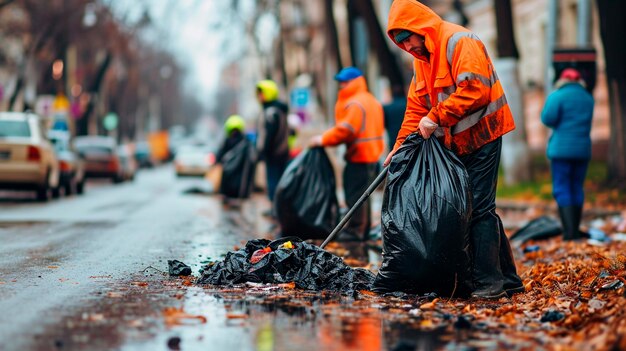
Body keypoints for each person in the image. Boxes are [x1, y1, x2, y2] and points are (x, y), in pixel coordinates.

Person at [385, 0, 523, 299]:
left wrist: (435, 117)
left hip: (484, 131)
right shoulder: (420, 62)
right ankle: (508, 279)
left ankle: (490, 283)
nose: (408, 46)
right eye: (402, 44)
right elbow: (415, 109)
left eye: (409, 38)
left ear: (420, 28)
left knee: (479, 208)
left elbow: (475, 89)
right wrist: (399, 148)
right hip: (458, 142)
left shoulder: (459, 41)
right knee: (475, 205)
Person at [309, 66, 385, 241]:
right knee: (363, 195)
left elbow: (346, 130)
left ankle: (356, 231)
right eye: (340, 82)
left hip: (359, 155)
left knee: (354, 195)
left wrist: (322, 139)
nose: (341, 85)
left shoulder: (355, 103)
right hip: (372, 155)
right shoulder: (370, 100)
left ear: (355, 82)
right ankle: (362, 230)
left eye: (345, 82)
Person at [541, 68, 594, 241]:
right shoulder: (588, 98)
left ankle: (569, 233)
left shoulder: (558, 96)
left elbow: (547, 118)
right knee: (577, 186)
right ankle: (575, 229)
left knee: (562, 187)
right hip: (582, 149)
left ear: (562, 81)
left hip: (561, 150)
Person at [256, 80, 290, 209]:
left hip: (273, 153)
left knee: (273, 181)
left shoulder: (270, 112)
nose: (259, 97)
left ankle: (275, 208)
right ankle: (278, 208)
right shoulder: (280, 110)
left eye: (261, 93)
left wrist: (262, 152)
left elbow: (268, 135)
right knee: (280, 181)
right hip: (282, 152)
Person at [383, 85, 407, 152]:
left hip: (394, 142)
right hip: (408, 141)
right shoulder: (408, 105)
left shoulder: (388, 108)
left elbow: (385, 124)